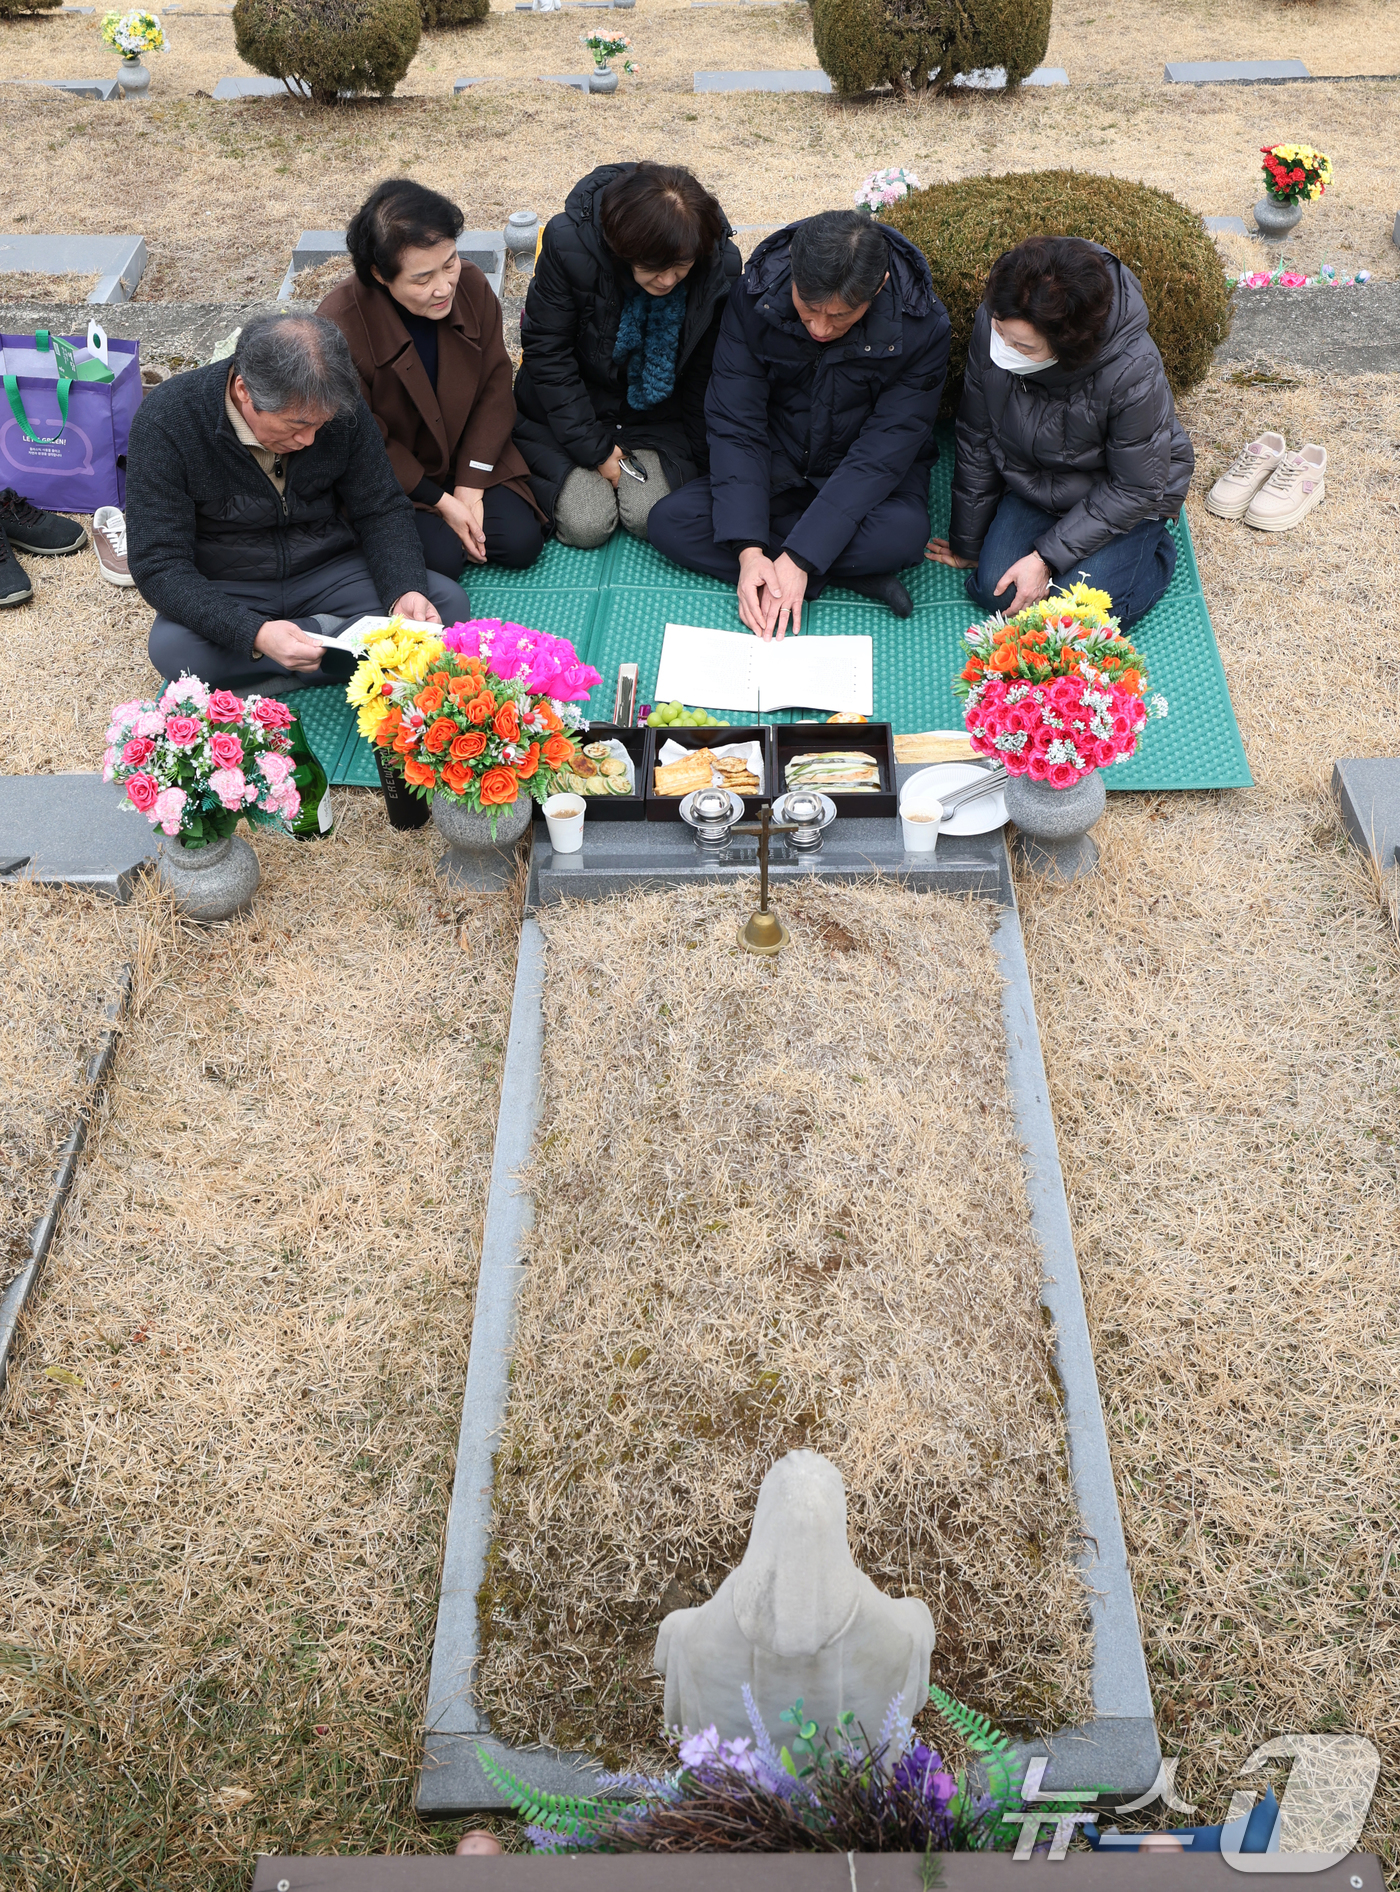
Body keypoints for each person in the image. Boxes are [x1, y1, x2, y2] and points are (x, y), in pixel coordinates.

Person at [647, 209, 950, 639]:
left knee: (903, 535)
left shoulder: (923, 327)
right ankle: (841, 574)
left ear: (879, 287)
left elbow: (881, 454)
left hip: (859, 476)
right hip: (777, 463)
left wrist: (801, 556)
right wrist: (749, 551)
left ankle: (801, 567)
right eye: (808, 308)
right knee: (670, 522)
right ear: (793, 270)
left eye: (841, 315)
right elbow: (737, 423)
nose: (821, 327)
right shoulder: (754, 296)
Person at [126, 312, 466, 692]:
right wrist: (254, 632)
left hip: (328, 569)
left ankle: (282, 663)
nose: (309, 440)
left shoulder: (338, 404)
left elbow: (381, 507)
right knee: (175, 650)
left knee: (444, 604)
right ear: (244, 390)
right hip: (229, 584)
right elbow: (158, 563)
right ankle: (333, 648)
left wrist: (404, 589)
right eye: (296, 425)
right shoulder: (167, 420)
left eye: (320, 424)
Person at [926, 236, 1194, 629]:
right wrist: (970, 542)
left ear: (1068, 344)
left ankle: (1151, 549)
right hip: (1038, 482)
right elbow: (975, 431)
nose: (1004, 349)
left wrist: (1044, 559)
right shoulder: (999, 321)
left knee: (1074, 616)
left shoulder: (1133, 368)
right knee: (996, 592)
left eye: (1023, 347)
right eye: (999, 332)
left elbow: (1135, 487)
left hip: (1124, 493)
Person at [318, 177, 545, 584]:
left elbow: (495, 387)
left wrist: (471, 485)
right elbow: (362, 439)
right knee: (443, 559)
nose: (444, 288)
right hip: (396, 477)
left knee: (519, 542)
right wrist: (440, 500)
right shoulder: (339, 324)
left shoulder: (471, 285)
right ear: (380, 274)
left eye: (450, 263)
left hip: (465, 457)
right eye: (422, 279)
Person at [511, 161, 741, 548]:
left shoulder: (718, 264)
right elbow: (547, 354)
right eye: (654, 267)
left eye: (680, 267)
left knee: (651, 516)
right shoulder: (568, 244)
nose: (667, 280)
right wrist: (595, 450)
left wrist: (706, 465)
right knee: (587, 523)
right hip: (568, 410)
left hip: (656, 417)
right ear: (622, 247)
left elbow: (705, 372)